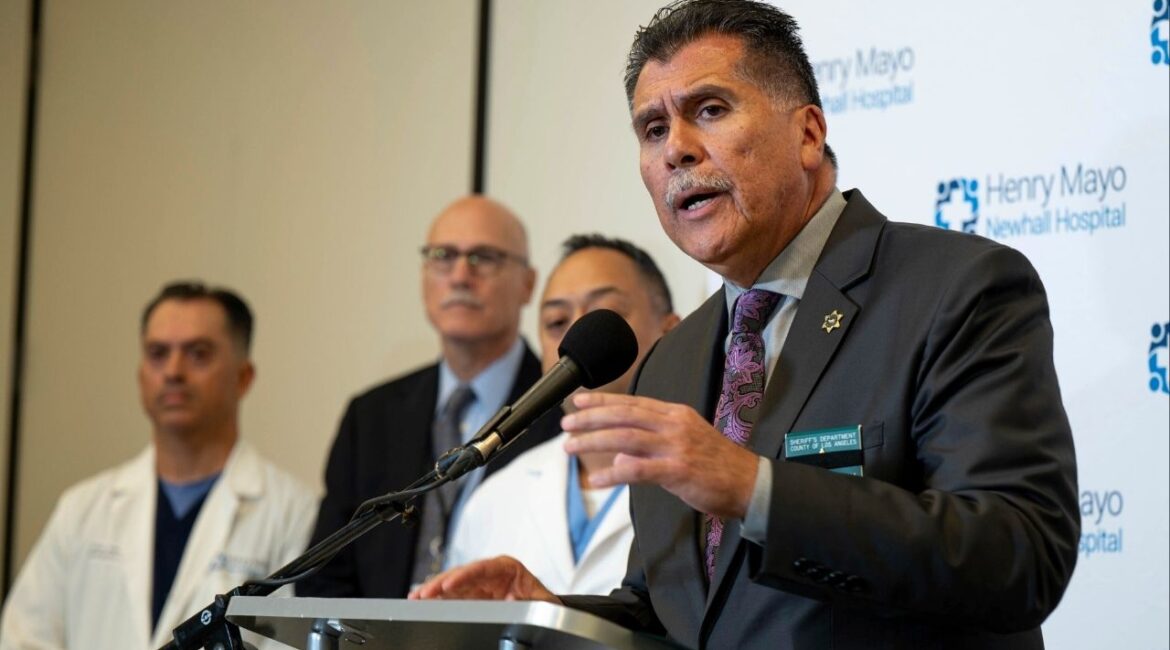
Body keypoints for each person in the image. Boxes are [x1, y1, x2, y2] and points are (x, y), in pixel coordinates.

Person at [411, 2, 1080, 649]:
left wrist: (754, 489)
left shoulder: (954, 288)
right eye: (652, 128)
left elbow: (1019, 555)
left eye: (709, 109)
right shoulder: (674, 357)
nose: (677, 150)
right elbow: (681, 612)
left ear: (808, 134)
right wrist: (555, 616)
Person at [0, 282, 316, 650]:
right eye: (157, 353)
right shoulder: (83, 508)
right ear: (140, 375)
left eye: (198, 354)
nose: (173, 371)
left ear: (243, 377)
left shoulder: (294, 513)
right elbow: (23, 638)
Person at [298, 196, 562, 598]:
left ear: (528, 284)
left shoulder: (561, 405)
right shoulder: (371, 417)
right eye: (443, 256)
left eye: (483, 258)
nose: (459, 276)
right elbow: (323, 575)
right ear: (424, 274)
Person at [445, 234, 680, 594]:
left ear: (671, 331)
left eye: (604, 316)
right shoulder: (495, 499)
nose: (575, 338)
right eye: (556, 322)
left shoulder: (708, 476)